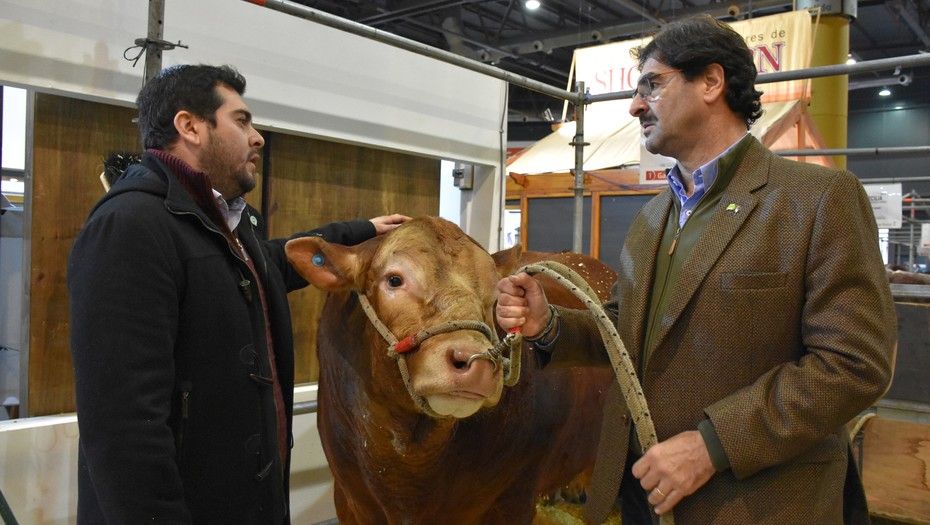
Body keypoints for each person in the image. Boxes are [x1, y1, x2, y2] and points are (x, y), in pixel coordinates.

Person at [496, 15, 896, 525]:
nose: (635, 104)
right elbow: (627, 336)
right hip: (644, 494)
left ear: (711, 82)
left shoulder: (818, 200)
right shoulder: (653, 217)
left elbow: (854, 365)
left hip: (756, 503)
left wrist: (713, 446)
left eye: (653, 84)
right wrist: (548, 324)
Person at [68, 64, 409, 524]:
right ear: (190, 126)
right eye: (242, 121)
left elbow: (269, 264)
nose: (258, 137)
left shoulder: (226, 223)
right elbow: (123, 428)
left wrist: (362, 232)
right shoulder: (130, 226)